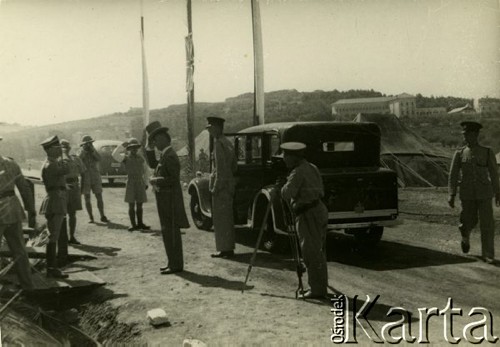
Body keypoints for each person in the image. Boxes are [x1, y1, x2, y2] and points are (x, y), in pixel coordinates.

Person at [280, 142, 328, 299]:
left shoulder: (298, 172)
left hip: (308, 214)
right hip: (318, 210)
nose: (284, 159)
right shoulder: (312, 167)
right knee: (318, 251)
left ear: (293, 157)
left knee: (310, 251)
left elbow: (287, 194)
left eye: (286, 156)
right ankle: (319, 285)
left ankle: (317, 290)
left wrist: (282, 186)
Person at [448, 121, 500, 264]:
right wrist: (451, 194)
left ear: (476, 135)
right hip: (467, 194)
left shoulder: (487, 152)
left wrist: (498, 192)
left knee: (487, 224)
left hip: (484, 193)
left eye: (469, 134)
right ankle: (465, 236)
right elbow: (452, 175)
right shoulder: (459, 153)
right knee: (468, 220)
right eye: (464, 134)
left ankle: (488, 254)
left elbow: (494, 174)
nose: (465, 137)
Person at [145, 121, 189, 274]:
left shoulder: (170, 156)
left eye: (155, 140)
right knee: (167, 232)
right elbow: (153, 165)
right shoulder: (165, 155)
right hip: (165, 200)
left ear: (163, 138)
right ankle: (172, 262)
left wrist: (155, 180)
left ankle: (176, 264)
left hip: (170, 201)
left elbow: (173, 179)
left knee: (171, 232)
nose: (154, 144)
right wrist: (149, 149)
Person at [0, 136, 36, 291]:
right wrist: (31, 209)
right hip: (13, 209)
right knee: (19, 250)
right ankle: (28, 286)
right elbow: (24, 188)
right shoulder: (11, 163)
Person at [206, 116, 237, 258]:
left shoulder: (219, 144)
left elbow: (220, 169)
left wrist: (215, 187)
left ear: (217, 128)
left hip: (221, 186)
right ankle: (228, 248)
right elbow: (233, 166)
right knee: (227, 219)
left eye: (211, 129)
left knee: (220, 219)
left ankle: (224, 249)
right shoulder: (228, 142)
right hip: (229, 184)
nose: (210, 132)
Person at [39, 135, 70, 278]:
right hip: (55, 201)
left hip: (57, 199)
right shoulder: (51, 164)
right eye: (57, 148)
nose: (60, 150)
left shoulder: (51, 163)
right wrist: (64, 155)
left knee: (54, 234)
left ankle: (52, 267)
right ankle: (51, 268)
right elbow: (67, 169)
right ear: (50, 149)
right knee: (54, 236)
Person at [111, 137, 150, 231]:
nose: (134, 149)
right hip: (131, 182)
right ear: (128, 148)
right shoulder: (125, 158)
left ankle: (140, 223)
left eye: (136, 147)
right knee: (131, 204)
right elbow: (114, 154)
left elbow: (146, 171)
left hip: (140, 181)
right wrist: (122, 145)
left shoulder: (141, 158)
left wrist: (146, 182)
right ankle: (133, 224)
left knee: (140, 204)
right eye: (132, 147)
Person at [79, 135, 109, 223]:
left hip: (95, 176)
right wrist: (84, 151)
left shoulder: (93, 151)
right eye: (87, 144)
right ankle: (91, 217)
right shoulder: (81, 152)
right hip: (86, 176)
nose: (88, 145)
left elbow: (99, 158)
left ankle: (102, 215)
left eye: (90, 143)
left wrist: (92, 151)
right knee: (87, 197)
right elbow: (78, 160)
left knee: (99, 196)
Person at [60, 139, 85, 245]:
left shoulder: (76, 158)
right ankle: (63, 237)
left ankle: (72, 236)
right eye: (63, 146)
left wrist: (82, 188)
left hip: (75, 186)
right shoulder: (59, 160)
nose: (66, 148)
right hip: (64, 187)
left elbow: (83, 172)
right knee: (62, 213)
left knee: (73, 213)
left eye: (67, 146)